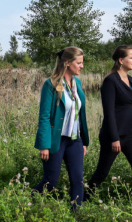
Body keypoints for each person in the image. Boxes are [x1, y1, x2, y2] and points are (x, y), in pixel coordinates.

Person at [86, 45, 132, 200]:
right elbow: (109, 113)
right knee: (102, 172)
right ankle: (82, 199)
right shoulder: (110, 81)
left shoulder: (131, 80)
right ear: (121, 60)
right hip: (113, 136)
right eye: (131, 57)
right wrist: (115, 138)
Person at [33, 47, 90, 211]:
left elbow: (80, 113)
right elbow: (44, 116)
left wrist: (83, 142)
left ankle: (76, 215)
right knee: (51, 182)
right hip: (56, 140)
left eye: (82, 63)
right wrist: (44, 144)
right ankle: (30, 201)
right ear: (67, 63)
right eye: (78, 63)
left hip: (75, 140)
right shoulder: (50, 84)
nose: (82, 66)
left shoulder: (76, 83)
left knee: (77, 180)